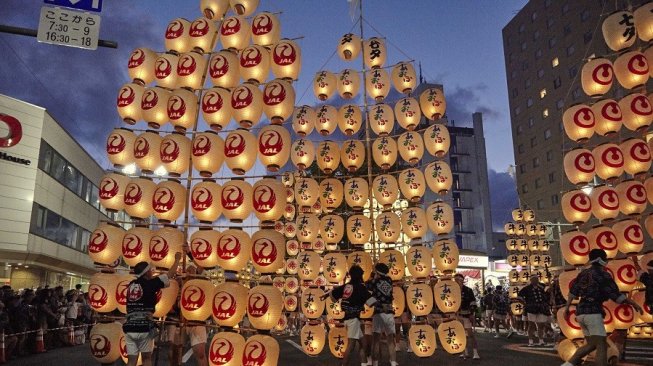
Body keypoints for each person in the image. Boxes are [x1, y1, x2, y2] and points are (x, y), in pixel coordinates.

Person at [561, 249, 642, 366]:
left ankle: (568, 365)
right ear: (601, 260)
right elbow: (615, 294)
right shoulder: (603, 274)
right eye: (605, 258)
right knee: (601, 344)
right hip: (593, 312)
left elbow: (573, 292)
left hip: (581, 312)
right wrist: (634, 304)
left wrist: (567, 308)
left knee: (590, 344)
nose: (606, 260)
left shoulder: (583, 273)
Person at [123, 252, 182, 366]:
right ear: (146, 273)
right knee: (146, 359)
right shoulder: (150, 283)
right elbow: (169, 274)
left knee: (131, 361)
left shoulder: (131, 285)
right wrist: (177, 259)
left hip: (130, 326)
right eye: (150, 270)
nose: (152, 272)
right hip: (144, 326)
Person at [322, 265, 376, 366]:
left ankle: (365, 362)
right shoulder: (360, 287)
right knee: (351, 346)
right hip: (354, 320)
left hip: (348, 318)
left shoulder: (346, 286)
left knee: (363, 343)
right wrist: (377, 298)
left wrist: (326, 295)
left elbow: (333, 296)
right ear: (360, 275)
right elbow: (371, 302)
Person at [367, 263, 397, 366]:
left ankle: (375, 363)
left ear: (377, 273)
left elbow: (366, 285)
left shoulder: (374, 282)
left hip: (378, 312)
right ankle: (393, 362)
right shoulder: (389, 280)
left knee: (376, 339)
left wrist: (372, 277)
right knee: (390, 339)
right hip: (389, 311)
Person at [518, 274, 550, 346]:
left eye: (537, 279)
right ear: (531, 280)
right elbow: (519, 296)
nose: (536, 280)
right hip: (531, 308)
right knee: (531, 325)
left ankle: (541, 340)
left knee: (541, 325)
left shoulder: (541, 287)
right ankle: (530, 341)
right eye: (534, 279)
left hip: (541, 308)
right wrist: (525, 304)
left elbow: (546, 293)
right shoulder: (527, 288)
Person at [454, 273, 480, 360]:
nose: (457, 281)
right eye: (455, 279)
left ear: (462, 280)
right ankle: (464, 351)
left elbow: (473, 302)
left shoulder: (468, 290)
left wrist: (472, 313)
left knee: (470, 334)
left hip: (467, 314)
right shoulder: (452, 290)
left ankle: (475, 352)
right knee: (461, 335)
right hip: (457, 315)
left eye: (459, 279)